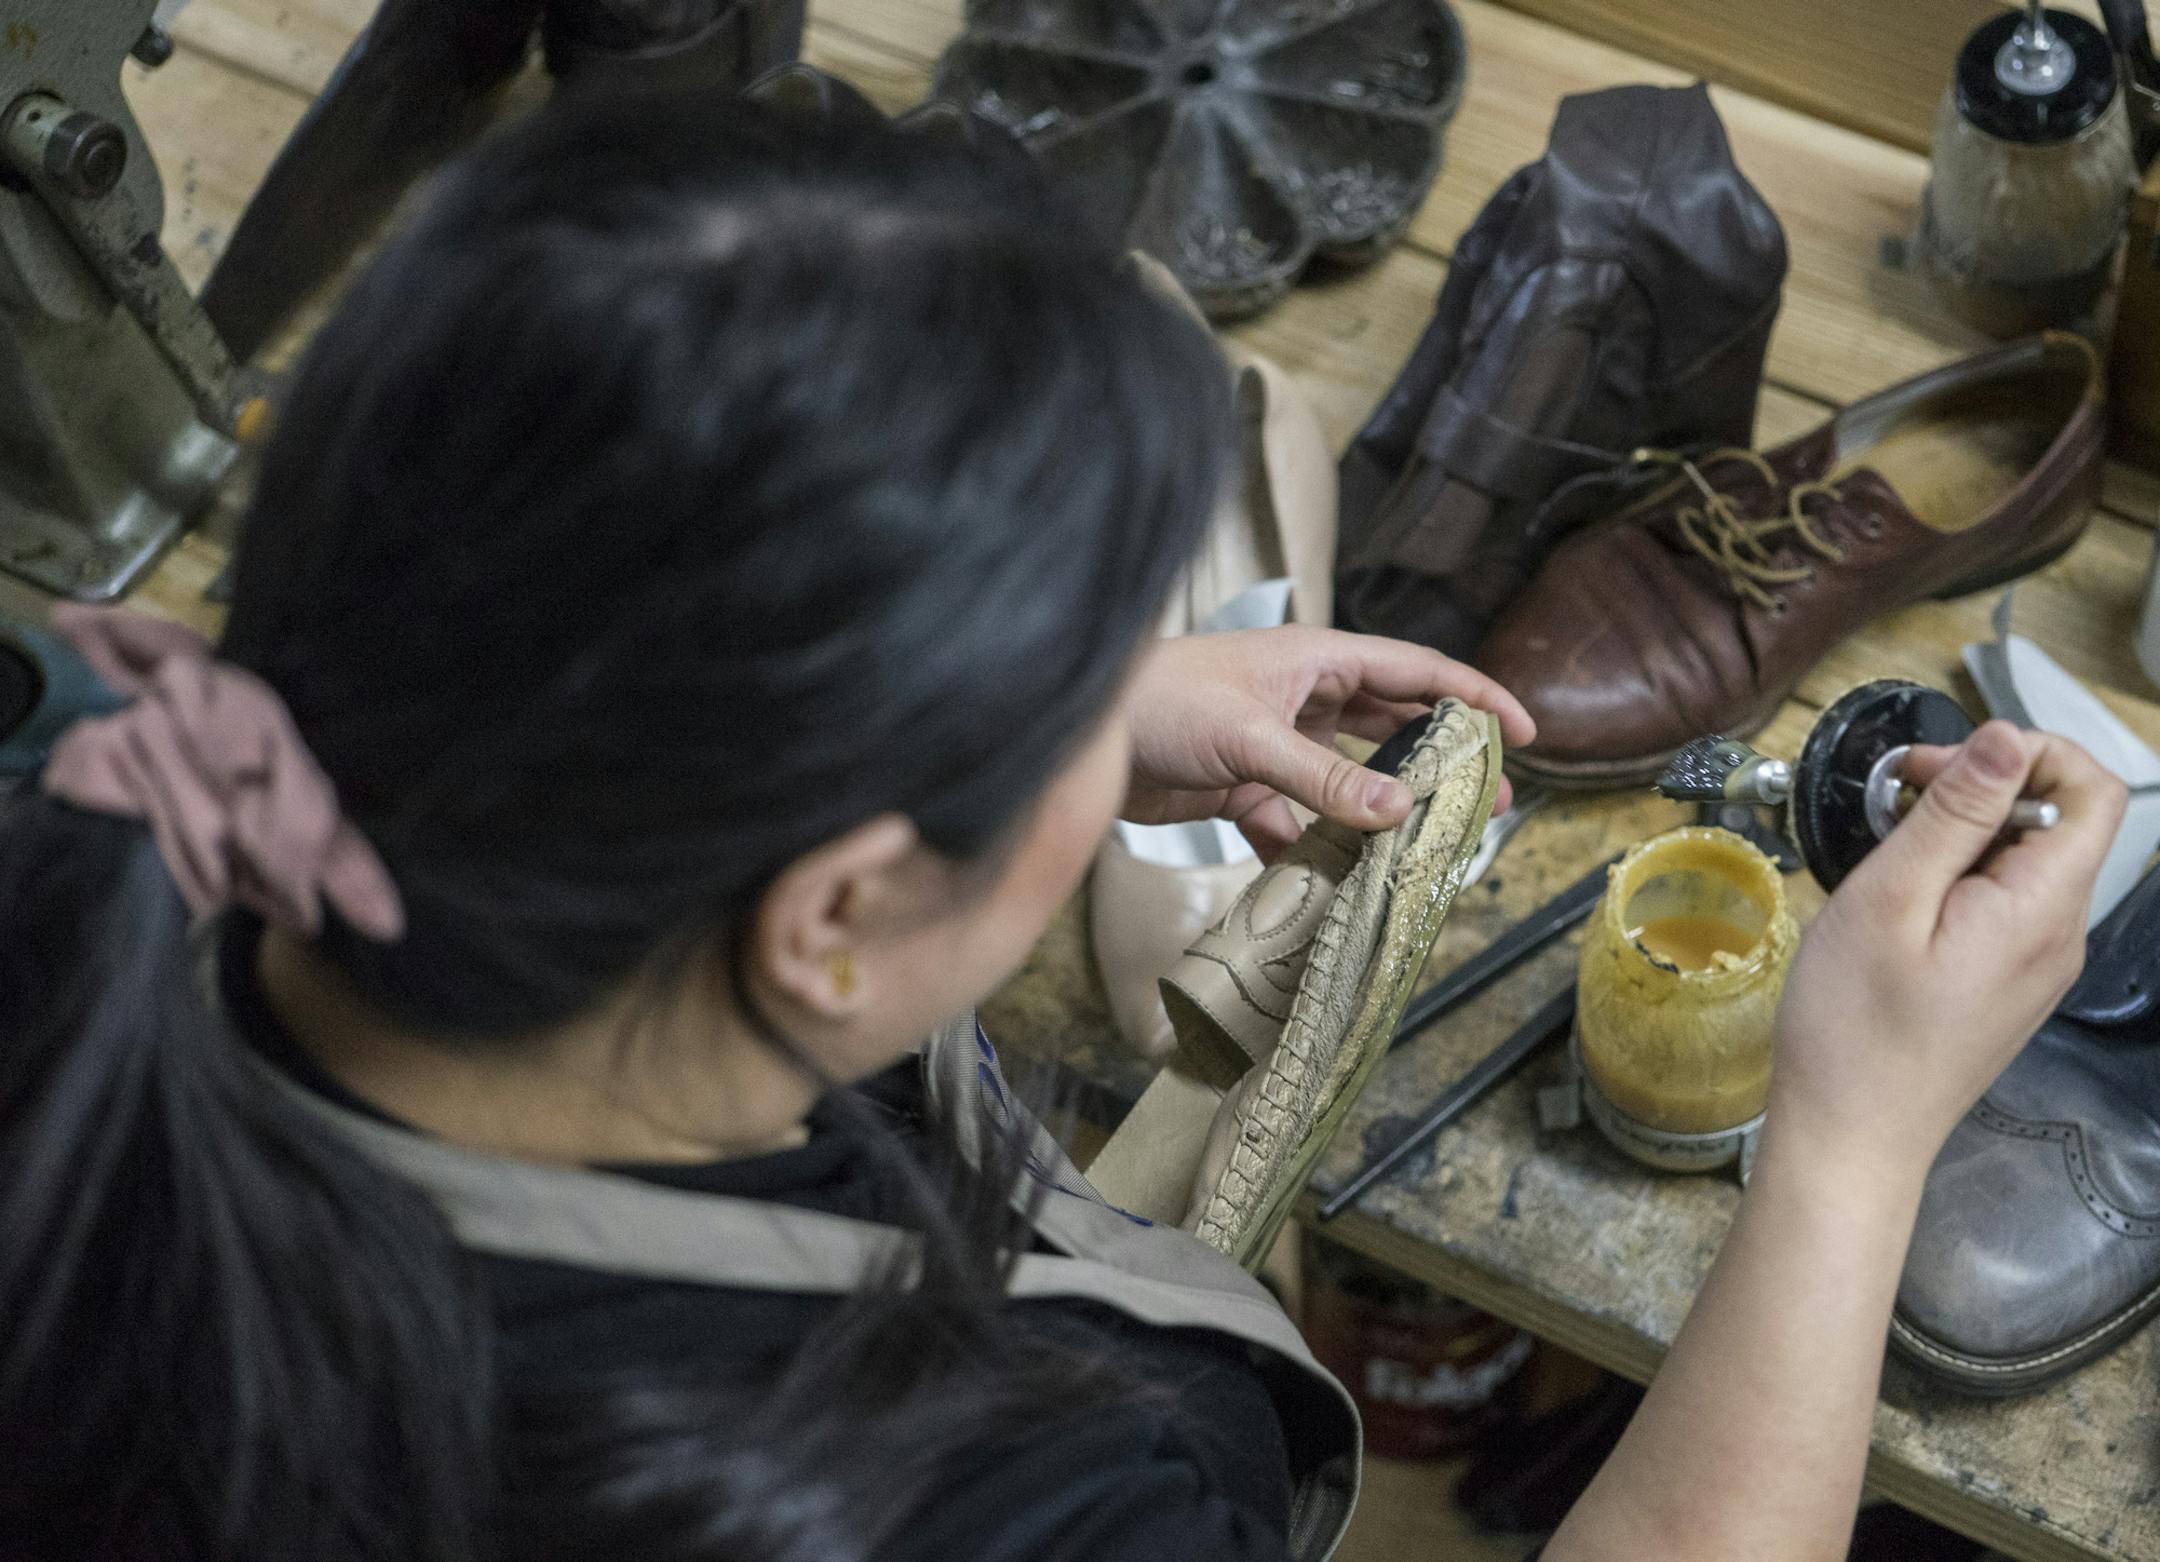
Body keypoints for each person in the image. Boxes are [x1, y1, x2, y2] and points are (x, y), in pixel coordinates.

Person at [0, 92, 2123, 1562]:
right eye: (1078, 668)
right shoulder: (985, 1510)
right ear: (831, 915)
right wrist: (1852, 1147)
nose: (1134, 687)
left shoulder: (91, 826)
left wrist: (1051, 718)